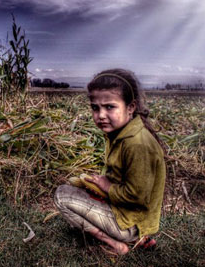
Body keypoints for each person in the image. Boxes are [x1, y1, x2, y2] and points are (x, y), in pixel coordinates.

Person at [54, 68, 166, 255]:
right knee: (80, 189)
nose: (101, 115)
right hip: (127, 214)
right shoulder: (121, 134)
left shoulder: (137, 144)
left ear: (130, 107)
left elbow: (137, 197)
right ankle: (132, 238)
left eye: (110, 107)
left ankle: (116, 244)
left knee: (62, 196)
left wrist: (107, 187)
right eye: (95, 107)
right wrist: (98, 185)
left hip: (131, 223)